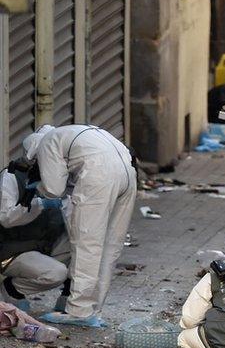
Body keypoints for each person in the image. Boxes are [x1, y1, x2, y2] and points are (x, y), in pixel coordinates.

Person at [21, 124, 136, 328]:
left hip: (99, 175)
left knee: (87, 244)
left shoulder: (47, 143)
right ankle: (94, 309)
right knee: (111, 246)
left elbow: (54, 189)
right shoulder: (75, 131)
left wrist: (37, 189)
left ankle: (79, 311)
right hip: (127, 174)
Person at [0, 158, 70, 312]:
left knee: (86, 249)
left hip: (43, 246)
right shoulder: (12, 176)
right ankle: (12, 288)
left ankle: (69, 295)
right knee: (56, 273)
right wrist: (39, 204)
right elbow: (6, 218)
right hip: (14, 251)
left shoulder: (61, 176)